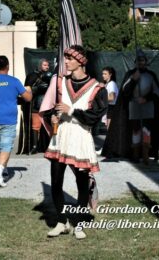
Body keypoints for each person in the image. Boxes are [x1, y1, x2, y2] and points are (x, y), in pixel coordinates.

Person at [39, 45, 107, 239]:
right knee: (55, 182)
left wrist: (72, 111)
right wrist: (54, 116)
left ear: (81, 61)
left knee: (82, 184)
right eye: (65, 57)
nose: (66, 61)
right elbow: (56, 108)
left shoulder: (97, 88)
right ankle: (62, 221)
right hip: (60, 136)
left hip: (80, 138)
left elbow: (94, 117)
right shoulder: (60, 82)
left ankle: (78, 224)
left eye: (69, 58)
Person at [101, 50, 159, 163]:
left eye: (142, 60)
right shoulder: (130, 75)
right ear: (136, 62)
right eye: (138, 60)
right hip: (134, 105)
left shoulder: (151, 75)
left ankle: (145, 155)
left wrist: (146, 98)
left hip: (147, 106)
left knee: (146, 130)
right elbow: (125, 91)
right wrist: (134, 80)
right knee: (135, 130)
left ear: (146, 62)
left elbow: (156, 92)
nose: (140, 62)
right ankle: (135, 154)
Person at [0, 55, 32, 187]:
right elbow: (27, 98)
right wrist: (29, 90)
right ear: (7, 66)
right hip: (8, 119)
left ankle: (3, 169)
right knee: (6, 146)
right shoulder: (14, 81)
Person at [19, 58, 53, 155]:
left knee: (48, 125)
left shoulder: (51, 77)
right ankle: (34, 146)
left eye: (48, 65)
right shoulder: (32, 76)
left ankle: (48, 146)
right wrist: (36, 88)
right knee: (35, 125)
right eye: (45, 65)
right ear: (40, 65)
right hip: (35, 104)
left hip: (47, 104)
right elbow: (27, 90)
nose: (47, 67)